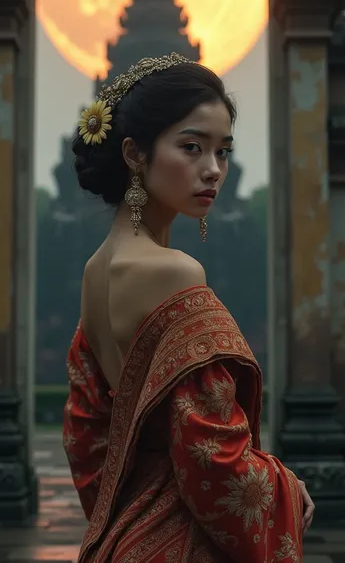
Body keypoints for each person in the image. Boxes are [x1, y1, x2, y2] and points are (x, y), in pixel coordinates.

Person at [63, 53, 314, 563]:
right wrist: (284, 483)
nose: (213, 170)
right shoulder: (173, 271)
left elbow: (88, 440)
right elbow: (212, 457)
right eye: (192, 147)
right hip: (181, 539)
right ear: (134, 154)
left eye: (223, 151)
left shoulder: (95, 272)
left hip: (125, 535)